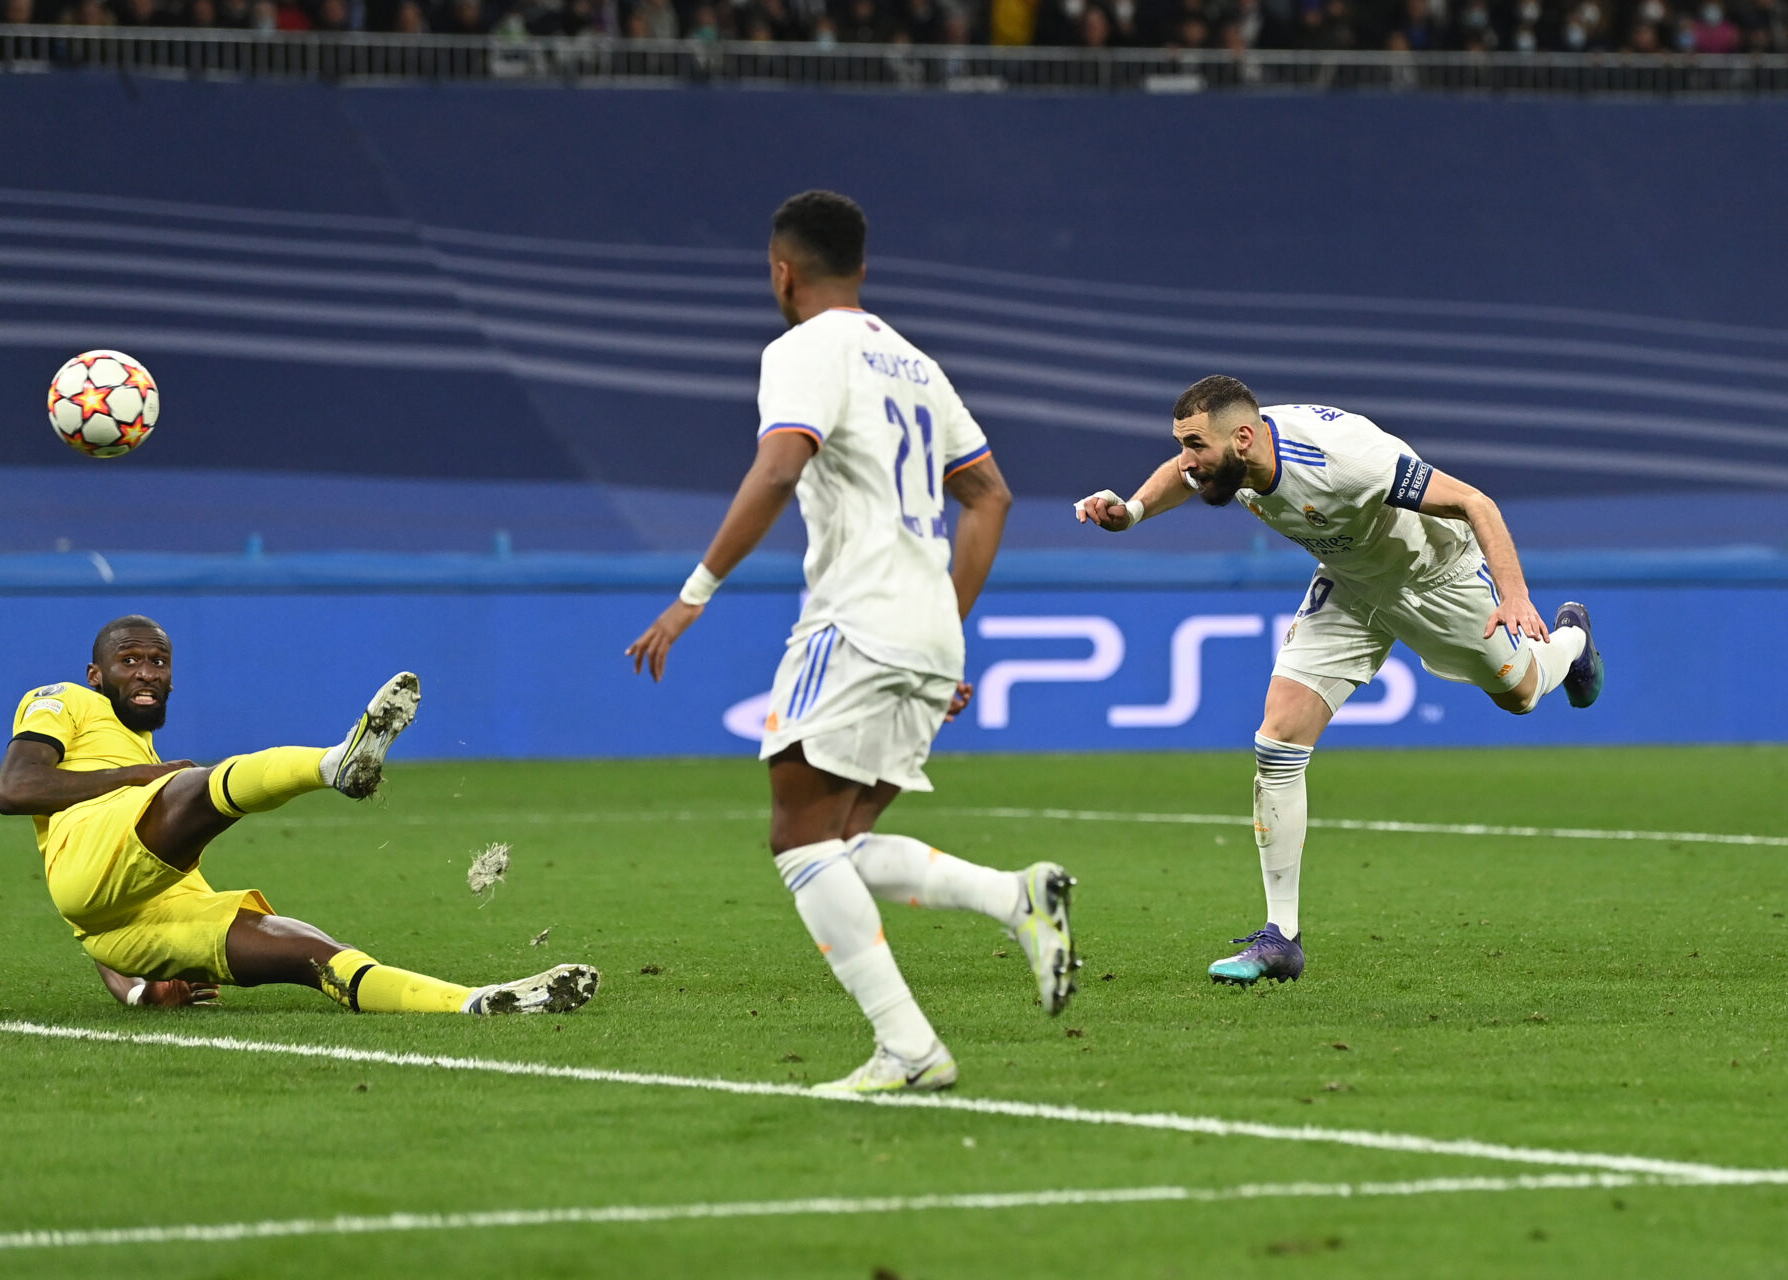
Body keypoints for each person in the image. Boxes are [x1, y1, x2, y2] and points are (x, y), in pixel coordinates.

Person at [626, 190, 1079, 1095]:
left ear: (782, 272)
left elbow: (779, 463)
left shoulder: (801, 350)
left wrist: (694, 594)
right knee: (841, 836)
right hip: (924, 626)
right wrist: (948, 625)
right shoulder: (916, 364)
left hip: (858, 620)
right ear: (862, 269)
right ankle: (1012, 897)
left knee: (799, 840)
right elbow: (990, 496)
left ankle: (909, 1048)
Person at [1075, 376, 1602, 986]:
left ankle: (1575, 642)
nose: (1187, 462)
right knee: (1278, 743)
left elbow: (1475, 503)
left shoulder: (1345, 460)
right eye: (1182, 444)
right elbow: (1183, 474)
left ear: (1242, 438)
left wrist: (1514, 596)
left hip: (1435, 577)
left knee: (1522, 694)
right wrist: (1134, 511)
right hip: (1351, 585)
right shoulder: (1231, 454)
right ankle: (1281, 939)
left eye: (1196, 445)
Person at [0, 614, 598, 1015]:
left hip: (126, 924)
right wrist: (145, 777)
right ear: (96, 675)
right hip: (92, 857)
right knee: (195, 787)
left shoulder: (145, 754)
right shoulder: (63, 700)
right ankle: (335, 765)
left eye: (159, 662)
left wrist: (138, 993)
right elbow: (15, 787)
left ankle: (471, 1002)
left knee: (310, 954)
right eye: (130, 661)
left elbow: (94, 911)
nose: (148, 673)